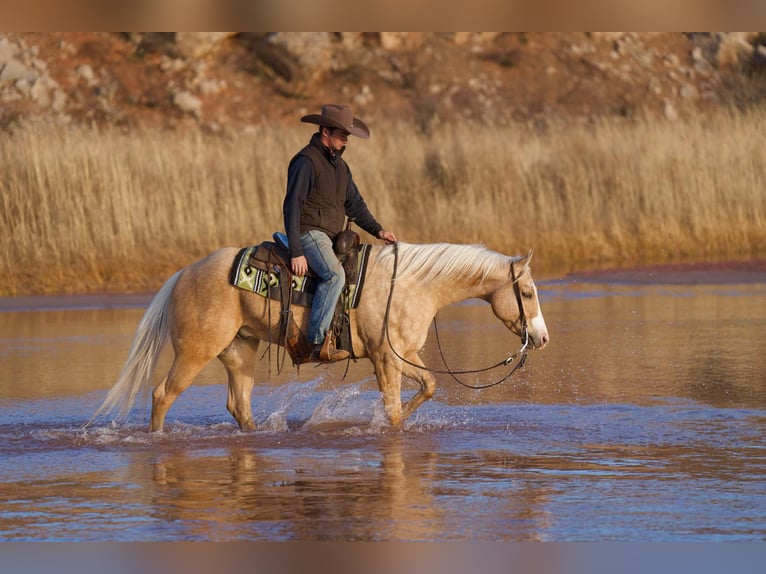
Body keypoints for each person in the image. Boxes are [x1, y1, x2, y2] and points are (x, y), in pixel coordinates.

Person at [283, 104, 397, 363]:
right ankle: (316, 342)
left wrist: (378, 230)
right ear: (325, 131)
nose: (346, 140)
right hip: (309, 233)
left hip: (330, 236)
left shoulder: (341, 167)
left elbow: (355, 205)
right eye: (342, 134)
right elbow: (292, 207)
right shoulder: (306, 162)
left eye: (348, 135)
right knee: (335, 275)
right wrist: (296, 252)